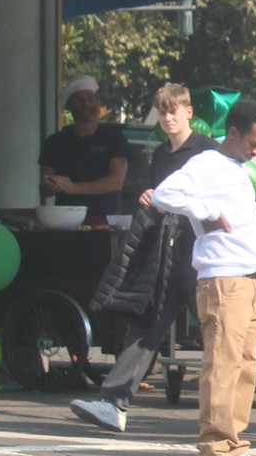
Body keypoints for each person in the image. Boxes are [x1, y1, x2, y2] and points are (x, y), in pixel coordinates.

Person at [69, 82, 211, 434]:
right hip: (164, 250)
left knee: (216, 331)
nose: (167, 118)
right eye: (162, 111)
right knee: (146, 324)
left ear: (188, 111)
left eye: (173, 110)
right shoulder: (160, 155)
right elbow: (160, 197)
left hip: (200, 252)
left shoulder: (208, 151)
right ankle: (113, 401)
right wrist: (152, 195)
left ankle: (229, 408)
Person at [149, 100, 256, 456]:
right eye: (254, 142)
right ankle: (214, 450)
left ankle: (233, 443)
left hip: (248, 276)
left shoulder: (237, 167)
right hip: (223, 278)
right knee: (222, 363)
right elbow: (162, 195)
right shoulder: (206, 162)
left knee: (245, 365)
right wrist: (203, 210)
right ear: (232, 133)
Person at [39, 76, 130, 224]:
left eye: (90, 98)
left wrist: (73, 188)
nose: (86, 104)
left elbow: (115, 182)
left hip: (106, 222)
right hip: (66, 223)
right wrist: (51, 185)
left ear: (97, 103)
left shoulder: (115, 139)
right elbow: (44, 189)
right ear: (69, 105)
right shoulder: (54, 142)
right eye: (79, 99)